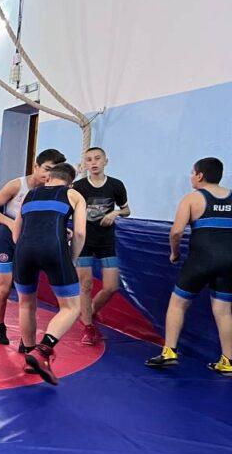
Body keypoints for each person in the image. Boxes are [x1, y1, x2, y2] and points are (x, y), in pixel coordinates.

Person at [146, 157, 232, 375]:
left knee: (178, 303)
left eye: (192, 173)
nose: (191, 177)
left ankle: (169, 352)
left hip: (201, 260)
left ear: (200, 175)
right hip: (229, 261)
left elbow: (176, 232)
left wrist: (174, 253)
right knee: (223, 310)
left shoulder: (192, 198)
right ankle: (228, 361)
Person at [11, 162, 87, 385]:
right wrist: (72, 257)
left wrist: (27, 248)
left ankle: (29, 356)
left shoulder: (30, 194)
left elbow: (16, 233)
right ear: (70, 182)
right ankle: (43, 350)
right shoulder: (74, 195)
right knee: (71, 307)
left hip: (23, 251)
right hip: (54, 249)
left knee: (26, 304)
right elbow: (80, 233)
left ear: (48, 178)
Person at [0, 149, 67, 345]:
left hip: (30, 240)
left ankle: (26, 338)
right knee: (4, 288)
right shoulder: (17, 185)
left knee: (28, 292)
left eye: (54, 171)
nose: (49, 175)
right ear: (35, 166)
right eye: (47, 169)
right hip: (7, 237)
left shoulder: (52, 191)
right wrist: (10, 223)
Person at [73, 147, 130, 345]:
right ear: (85, 164)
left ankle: (89, 311)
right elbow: (69, 209)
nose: (93, 163)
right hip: (84, 241)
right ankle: (88, 327)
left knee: (112, 286)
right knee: (86, 285)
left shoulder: (116, 185)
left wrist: (115, 213)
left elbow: (126, 210)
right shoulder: (78, 186)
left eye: (97, 158)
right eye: (89, 160)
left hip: (106, 240)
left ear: (106, 161)